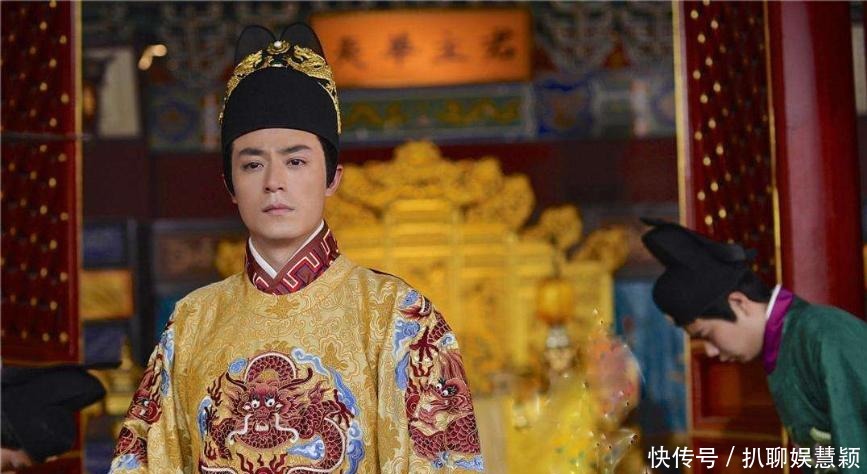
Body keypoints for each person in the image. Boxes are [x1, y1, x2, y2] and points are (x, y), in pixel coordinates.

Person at [109, 24, 484, 473]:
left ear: (332, 178)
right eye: (252, 164)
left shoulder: (399, 319)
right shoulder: (192, 323)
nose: (274, 182)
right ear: (230, 185)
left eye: (296, 160)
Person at [641, 218, 866, 472]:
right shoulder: (786, 347)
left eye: (707, 335)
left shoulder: (823, 335)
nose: (711, 351)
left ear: (739, 302)